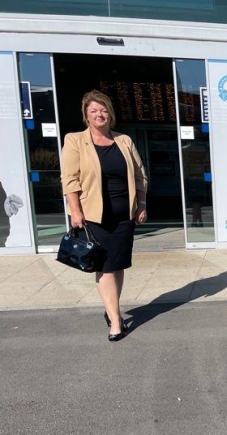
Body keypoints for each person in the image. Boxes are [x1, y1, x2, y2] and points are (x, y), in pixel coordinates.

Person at [60, 90, 148, 342]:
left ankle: (112, 310)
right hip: (94, 216)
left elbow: (141, 175)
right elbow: (70, 179)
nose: (100, 114)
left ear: (110, 113)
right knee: (105, 269)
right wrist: (75, 210)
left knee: (117, 265)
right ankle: (116, 322)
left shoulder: (124, 141)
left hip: (124, 214)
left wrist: (141, 204)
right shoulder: (75, 140)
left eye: (103, 110)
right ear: (86, 116)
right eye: (94, 111)